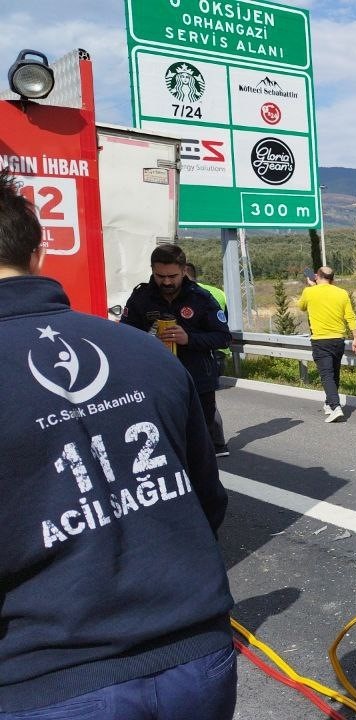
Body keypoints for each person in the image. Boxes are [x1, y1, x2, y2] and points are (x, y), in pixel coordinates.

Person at [0, 170, 236, 717]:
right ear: (38, 254)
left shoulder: (197, 304)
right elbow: (207, 502)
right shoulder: (140, 346)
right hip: (195, 660)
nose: (168, 281)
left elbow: (221, 337)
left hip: (50, 678)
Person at [122, 244, 231, 457]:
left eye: (172, 276)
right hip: (155, 380)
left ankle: (205, 487)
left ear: (183, 270)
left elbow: (223, 337)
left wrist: (188, 339)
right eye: (159, 276)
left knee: (201, 444)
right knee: (164, 440)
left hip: (197, 381)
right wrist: (146, 339)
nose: (166, 282)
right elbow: (125, 336)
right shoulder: (141, 297)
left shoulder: (201, 298)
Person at [297, 266, 356, 423]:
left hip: (320, 340)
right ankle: (328, 403)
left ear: (317, 277)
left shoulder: (309, 292)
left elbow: (301, 306)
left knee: (326, 374)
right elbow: (350, 316)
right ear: (332, 279)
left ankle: (335, 407)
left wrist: (311, 287)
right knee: (334, 373)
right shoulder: (342, 293)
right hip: (338, 340)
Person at [184, 263, 230, 454]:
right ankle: (216, 443)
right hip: (217, 353)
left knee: (199, 403)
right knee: (208, 401)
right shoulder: (217, 292)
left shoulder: (195, 296)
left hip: (198, 354)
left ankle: (210, 444)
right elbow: (223, 321)